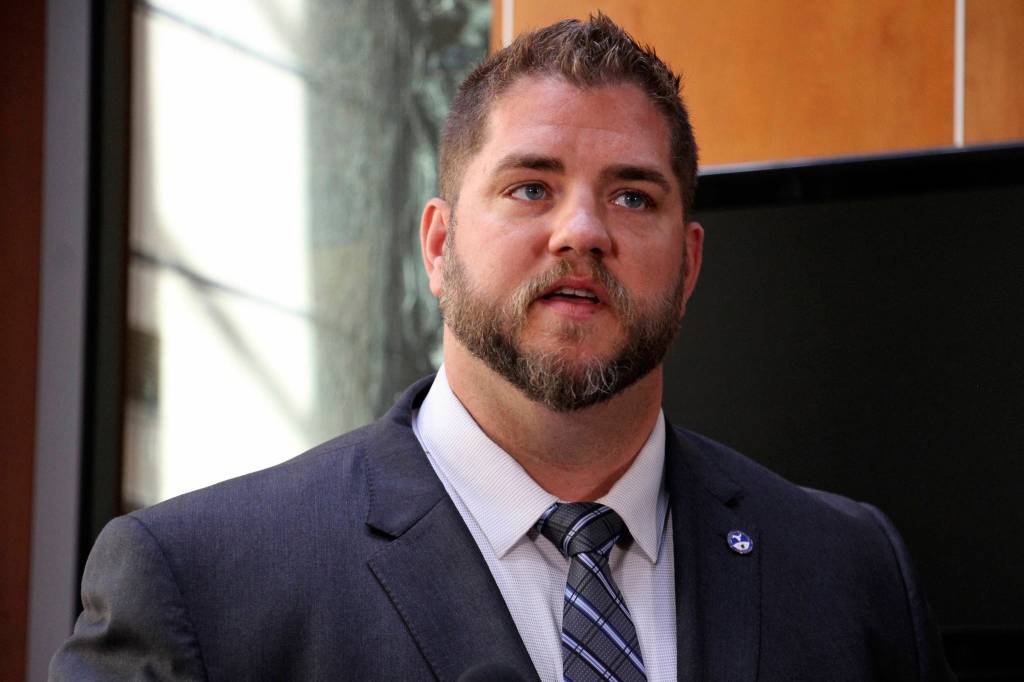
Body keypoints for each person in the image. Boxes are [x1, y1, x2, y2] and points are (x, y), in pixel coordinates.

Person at [52, 14, 954, 682]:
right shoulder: (200, 588)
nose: (582, 231)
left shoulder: (850, 571)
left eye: (634, 197)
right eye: (530, 187)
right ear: (438, 246)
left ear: (688, 263)